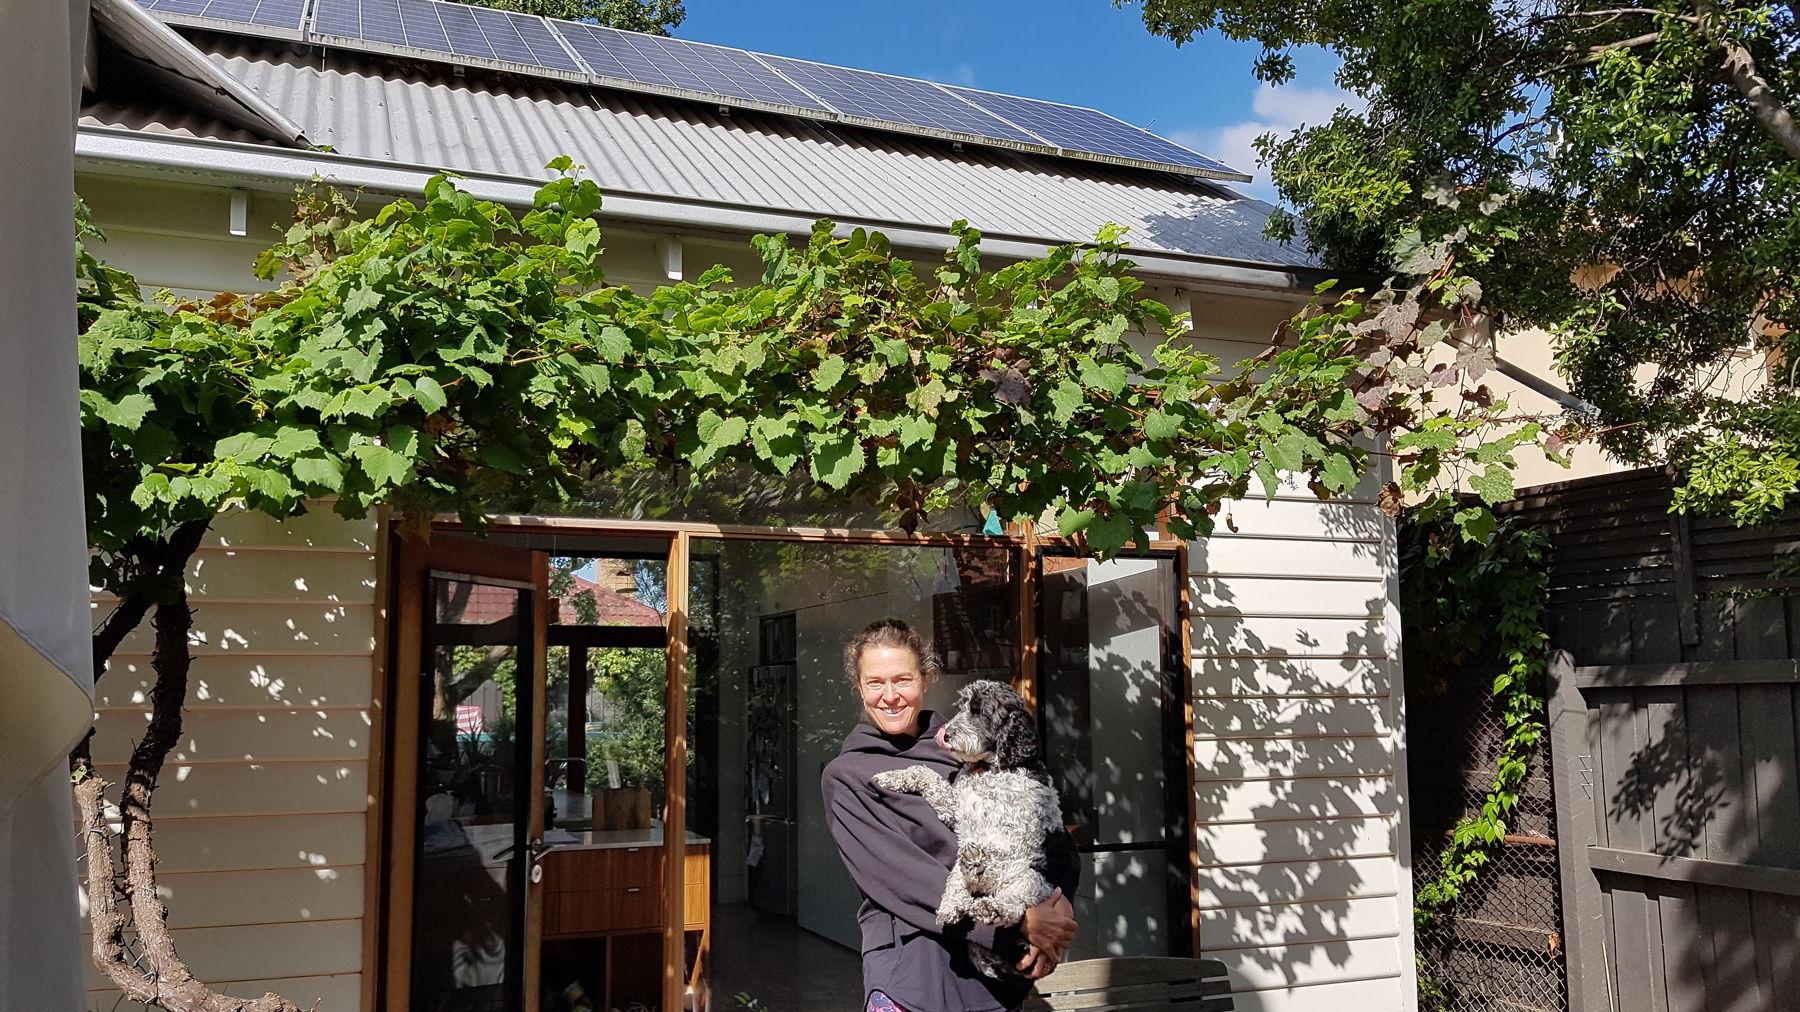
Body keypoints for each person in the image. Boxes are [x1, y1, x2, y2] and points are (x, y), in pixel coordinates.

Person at [821, 618, 1079, 1012]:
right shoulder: (848, 776)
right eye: (875, 683)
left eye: (903, 679)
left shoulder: (971, 754)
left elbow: (1047, 833)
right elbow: (906, 879)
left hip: (994, 982)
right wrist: (1021, 923)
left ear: (926, 679)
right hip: (914, 977)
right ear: (859, 688)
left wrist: (1057, 908)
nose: (890, 695)